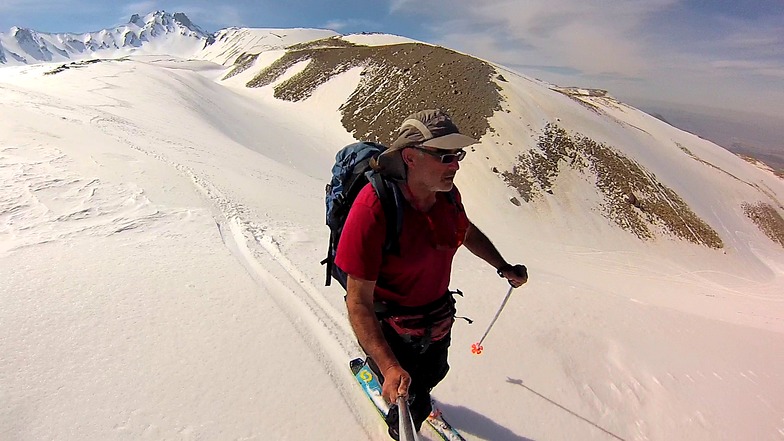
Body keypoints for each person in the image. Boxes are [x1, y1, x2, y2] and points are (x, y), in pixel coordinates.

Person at [335, 109, 528, 438]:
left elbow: (464, 232)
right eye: (444, 156)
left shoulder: (447, 196)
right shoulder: (374, 208)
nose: (455, 165)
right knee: (407, 392)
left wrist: (502, 266)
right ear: (410, 157)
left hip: (436, 317)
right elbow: (358, 303)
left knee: (434, 371)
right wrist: (389, 364)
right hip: (393, 325)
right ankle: (401, 422)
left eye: (458, 155)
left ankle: (406, 387)